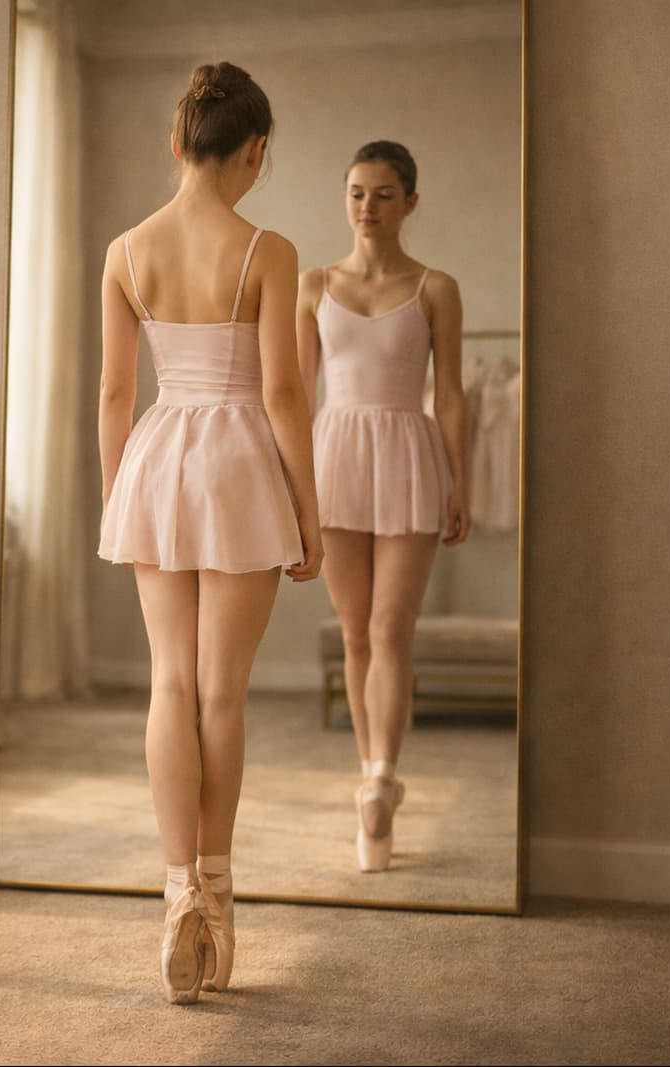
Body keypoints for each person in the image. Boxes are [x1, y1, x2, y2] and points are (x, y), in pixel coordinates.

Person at [98, 62, 322, 1004]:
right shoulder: (269, 249)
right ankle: (219, 899)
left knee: (171, 684)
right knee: (221, 692)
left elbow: (116, 392)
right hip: (235, 462)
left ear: (177, 141)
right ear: (255, 151)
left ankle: (175, 892)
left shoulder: (125, 251)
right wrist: (308, 513)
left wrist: (118, 496)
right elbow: (283, 393)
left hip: (157, 458)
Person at [296, 141, 470, 873]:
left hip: (408, 454)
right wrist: (291, 486)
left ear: (410, 202)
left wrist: (459, 481)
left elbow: (451, 394)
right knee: (355, 632)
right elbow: (296, 396)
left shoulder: (436, 288)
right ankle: (373, 782)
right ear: (346, 199)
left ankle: (380, 777)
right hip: (333, 456)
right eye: (358, 193)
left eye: (384, 194)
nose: (368, 207)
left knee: (391, 627)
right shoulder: (312, 285)